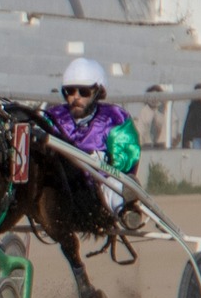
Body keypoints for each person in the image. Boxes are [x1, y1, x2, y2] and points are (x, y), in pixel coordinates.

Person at [46, 57, 141, 221]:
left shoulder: (115, 119)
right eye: (70, 91)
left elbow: (126, 161)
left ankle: (125, 212)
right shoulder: (52, 117)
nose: (75, 97)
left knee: (115, 184)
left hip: (99, 188)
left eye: (83, 92)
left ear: (98, 92)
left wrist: (101, 165)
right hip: (60, 186)